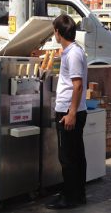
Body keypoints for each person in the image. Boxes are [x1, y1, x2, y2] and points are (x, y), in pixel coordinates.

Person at [46, 14, 88, 209]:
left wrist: (70, 113)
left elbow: (77, 85)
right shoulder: (73, 50)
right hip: (73, 110)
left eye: (54, 31)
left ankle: (70, 198)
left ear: (58, 32)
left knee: (68, 157)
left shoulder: (72, 53)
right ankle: (76, 194)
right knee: (76, 155)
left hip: (68, 112)